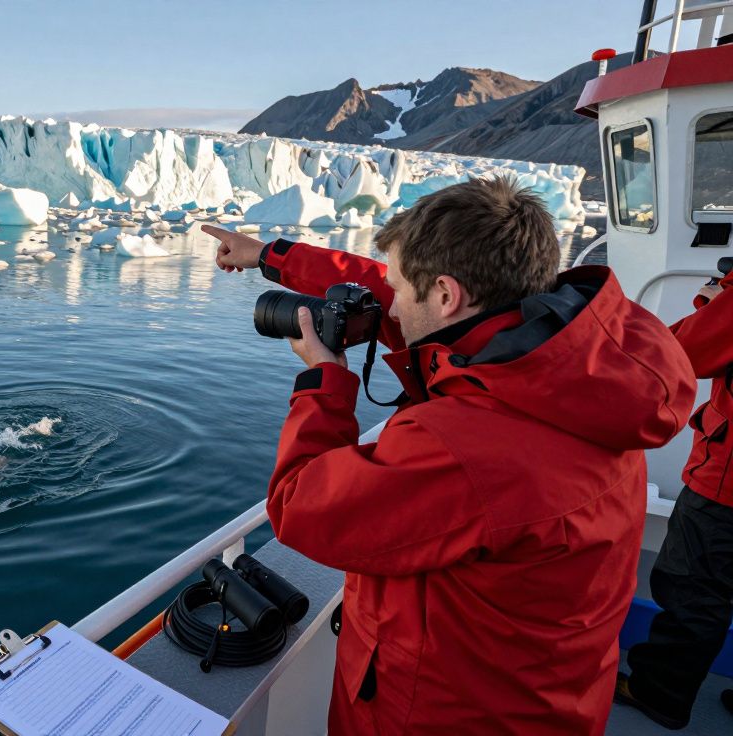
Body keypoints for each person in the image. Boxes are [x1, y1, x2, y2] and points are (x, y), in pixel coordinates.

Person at [206, 176, 697, 735]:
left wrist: (325, 382)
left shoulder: (465, 444)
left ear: (446, 295)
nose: (389, 301)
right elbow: (396, 295)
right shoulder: (576, 372)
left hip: (439, 712)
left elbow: (299, 506)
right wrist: (273, 257)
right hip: (549, 699)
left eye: (401, 290)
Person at [615, 268, 733, 729]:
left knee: (694, 590)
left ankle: (658, 693)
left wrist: (709, 303)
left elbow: (680, 352)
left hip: (726, 483)